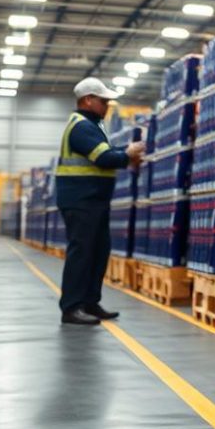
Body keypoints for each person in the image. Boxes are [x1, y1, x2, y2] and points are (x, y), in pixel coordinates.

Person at [55, 77, 145, 325]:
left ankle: (90, 302)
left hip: (94, 200)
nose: (107, 106)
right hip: (80, 199)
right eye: (103, 101)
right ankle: (71, 307)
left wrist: (125, 153)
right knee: (82, 253)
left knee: (98, 251)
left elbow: (108, 152)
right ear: (88, 100)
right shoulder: (81, 126)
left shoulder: (93, 126)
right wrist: (128, 154)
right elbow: (103, 157)